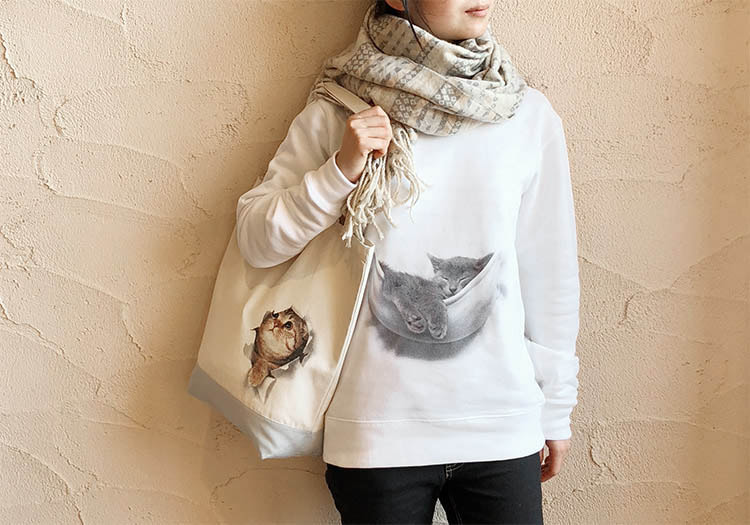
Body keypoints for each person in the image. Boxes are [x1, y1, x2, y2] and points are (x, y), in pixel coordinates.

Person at [235, 0, 581, 523]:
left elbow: (549, 272)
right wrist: (339, 173)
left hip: (500, 426)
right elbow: (256, 239)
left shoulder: (525, 114)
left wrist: (555, 406)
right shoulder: (342, 106)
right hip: (377, 434)